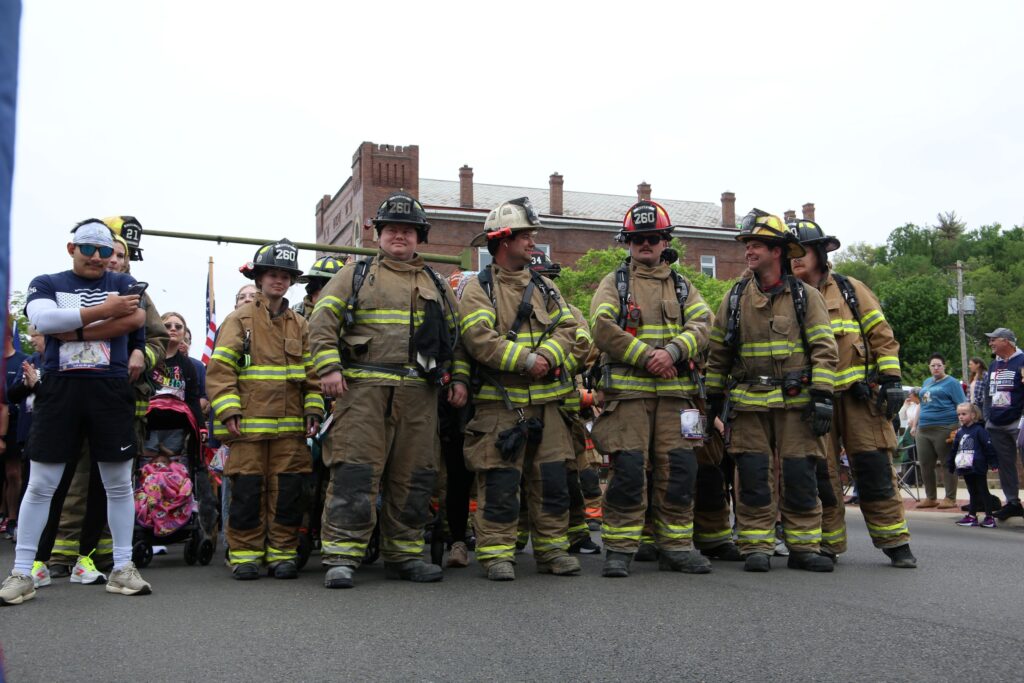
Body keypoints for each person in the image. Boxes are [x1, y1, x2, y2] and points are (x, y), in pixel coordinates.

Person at [309, 192, 464, 588]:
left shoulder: (436, 283)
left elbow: (456, 339)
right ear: (378, 234)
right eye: (392, 229)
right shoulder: (355, 274)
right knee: (355, 472)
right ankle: (342, 556)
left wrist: (459, 378)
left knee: (414, 476)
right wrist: (328, 367)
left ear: (419, 237)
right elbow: (322, 321)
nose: (400, 236)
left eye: (408, 230)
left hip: (418, 395)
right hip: (363, 390)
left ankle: (405, 554)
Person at [1, 221, 151, 607]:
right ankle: (22, 571)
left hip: (109, 388)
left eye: (105, 251)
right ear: (72, 248)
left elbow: (135, 320)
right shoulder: (47, 282)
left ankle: (122, 567)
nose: (98, 258)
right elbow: (45, 321)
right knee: (42, 483)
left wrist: (77, 331)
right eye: (89, 249)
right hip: (60, 389)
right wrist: (106, 312)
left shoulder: (122, 284)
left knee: (118, 483)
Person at [705, 210, 838, 573]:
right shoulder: (734, 298)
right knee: (752, 476)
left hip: (797, 404)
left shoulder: (805, 297)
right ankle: (756, 545)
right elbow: (718, 354)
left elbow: (825, 349)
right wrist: (713, 401)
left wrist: (823, 396)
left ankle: (804, 547)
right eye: (747, 244)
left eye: (757, 245)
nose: (749, 251)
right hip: (748, 404)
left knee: (799, 476)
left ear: (777, 251)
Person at [588, 200, 713, 578]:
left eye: (653, 238)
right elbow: (601, 325)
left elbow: (704, 324)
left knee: (679, 471)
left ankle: (675, 546)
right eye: (639, 238)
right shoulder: (614, 284)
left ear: (664, 242)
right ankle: (620, 549)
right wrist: (647, 356)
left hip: (676, 398)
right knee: (627, 471)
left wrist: (673, 352)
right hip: (627, 399)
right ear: (628, 242)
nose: (646, 244)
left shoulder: (682, 285)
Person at [458, 196, 579, 581]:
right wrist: (529, 361)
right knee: (498, 482)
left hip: (548, 408)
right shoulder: (479, 289)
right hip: (500, 408)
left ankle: (553, 552)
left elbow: (569, 330)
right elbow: (479, 338)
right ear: (504, 241)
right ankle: (496, 555)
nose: (533, 243)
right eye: (526, 236)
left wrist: (548, 355)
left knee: (552, 481)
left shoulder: (545, 287)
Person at [789, 219, 916, 568]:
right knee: (821, 474)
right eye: (790, 254)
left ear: (820, 253)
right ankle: (828, 544)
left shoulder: (850, 290)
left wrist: (891, 378)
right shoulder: (786, 297)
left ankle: (895, 541)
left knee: (874, 466)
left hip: (859, 398)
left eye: (802, 251)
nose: (795, 259)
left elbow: (881, 335)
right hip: (814, 400)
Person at [206, 238, 324, 581]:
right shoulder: (238, 320)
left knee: (288, 493)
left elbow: (313, 375)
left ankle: (282, 554)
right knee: (247, 491)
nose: (279, 280)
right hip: (248, 430)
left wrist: (313, 412)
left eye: (285, 275)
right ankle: (244, 556)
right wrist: (229, 411)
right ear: (259, 278)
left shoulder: (300, 325)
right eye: (272, 274)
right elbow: (220, 370)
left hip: (290, 431)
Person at [981, 328, 1024, 520]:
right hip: (996, 423)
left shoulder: (1022, 361)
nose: (990, 343)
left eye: (993, 340)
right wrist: (988, 417)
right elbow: (988, 393)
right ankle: (1013, 502)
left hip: (1017, 421)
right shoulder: (993, 365)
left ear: (1007, 341)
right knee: (1005, 465)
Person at [913, 353, 966, 509]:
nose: (936, 368)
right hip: (923, 428)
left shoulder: (952, 383)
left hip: (945, 427)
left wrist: (960, 427)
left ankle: (950, 498)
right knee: (924, 463)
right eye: (933, 365)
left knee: (947, 463)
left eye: (939, 365)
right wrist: (915, 425)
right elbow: (921, 405)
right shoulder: (927, 382)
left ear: (944, 366)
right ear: (929, 367)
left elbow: (962, 405)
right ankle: (930, 497)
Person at [947, 402, 998, 528]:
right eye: (959, 414)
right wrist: (951, 464)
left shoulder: (979, 430)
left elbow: (988, 447)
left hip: (978, 465)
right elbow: (954, 449)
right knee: (972, 491)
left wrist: (993, 462)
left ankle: (989, 517)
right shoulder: (960, 432)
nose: (961, 417)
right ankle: (972, 516)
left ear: (973, 415)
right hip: (965, 465)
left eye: (964, 414)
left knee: (982, 490)